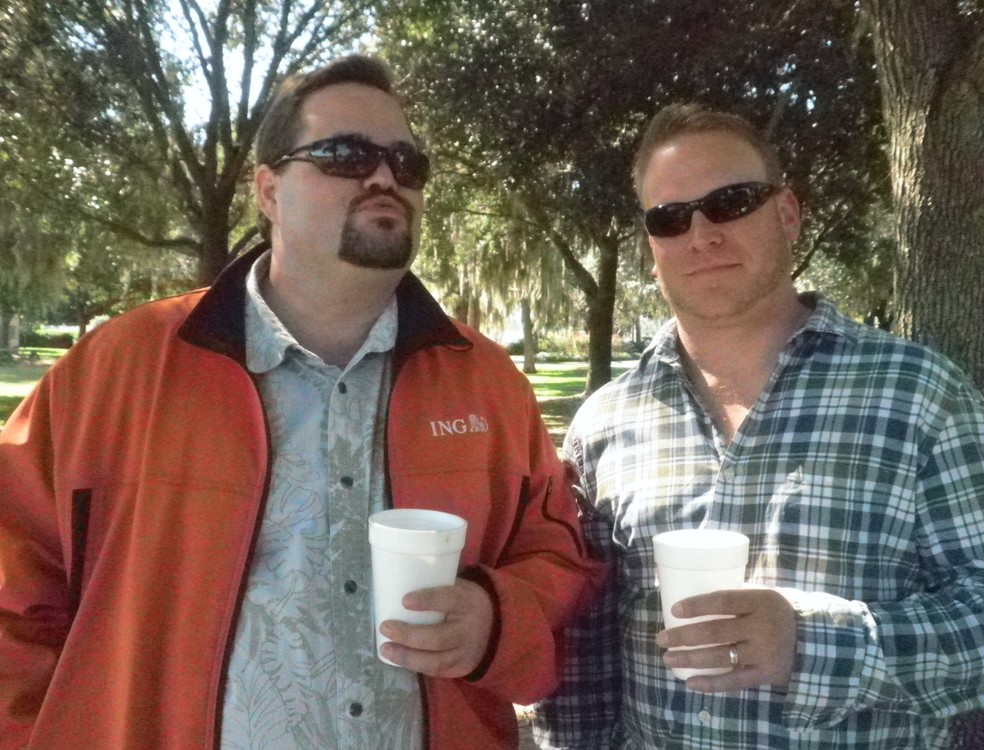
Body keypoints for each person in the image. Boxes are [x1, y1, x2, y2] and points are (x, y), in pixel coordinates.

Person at [0, 55, 602, 750]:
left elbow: (556, 552)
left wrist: (497, 618)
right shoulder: (118, 369)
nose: (384, 177)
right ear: (268, 189)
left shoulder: (488, 382)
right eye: (346, 155)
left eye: (406, 162)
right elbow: (14, 579)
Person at [532, 102, 984, 749]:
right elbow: (585, 648)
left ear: (787, 213)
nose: (702, 235)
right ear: (651, 249)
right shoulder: (605, 422)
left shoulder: (921, 394)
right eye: (670, 217)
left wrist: (813, 644)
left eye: (731, 202)